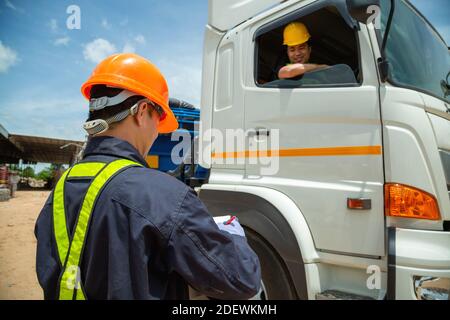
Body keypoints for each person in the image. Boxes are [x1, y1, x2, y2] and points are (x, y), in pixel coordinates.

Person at [34, 53, 261, 300]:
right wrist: (234, 237)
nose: (156, 134)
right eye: (158, 120)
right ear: (142, 111)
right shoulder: (163, 195)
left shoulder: (60, 190)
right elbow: (241, 280)